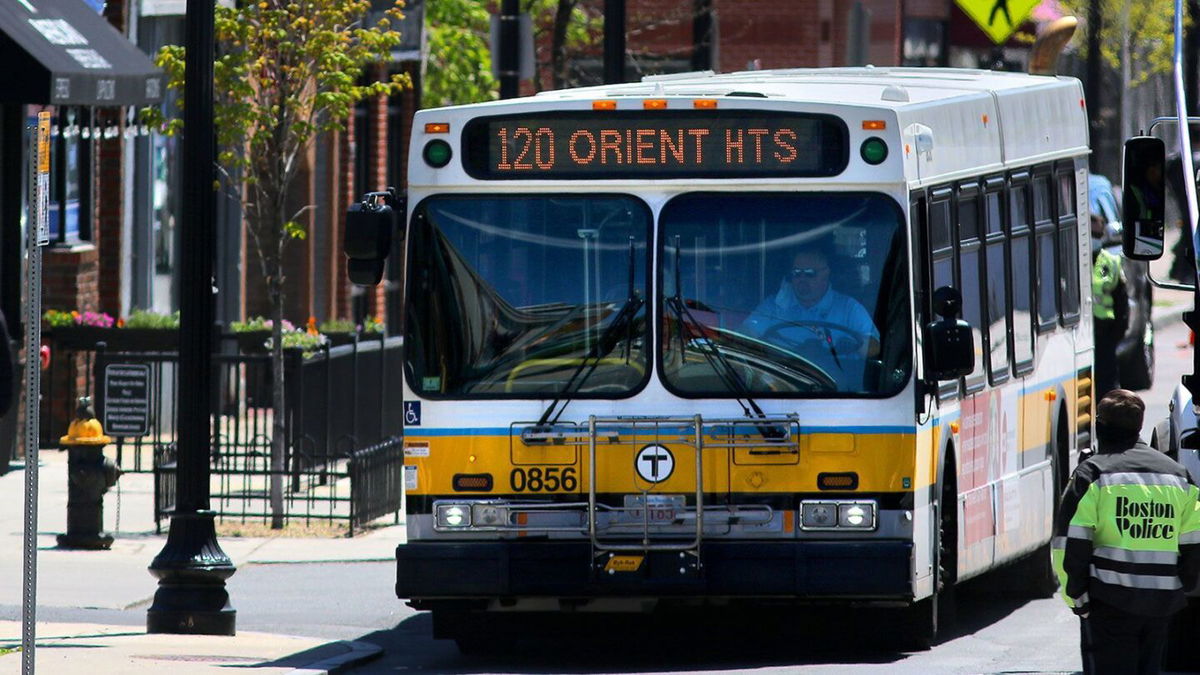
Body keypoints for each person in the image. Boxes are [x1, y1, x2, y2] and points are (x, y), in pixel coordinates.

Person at [1051, 389, 1200, 675]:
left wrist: (1077, 599)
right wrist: (1179, 588)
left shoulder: (1091, 474)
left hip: (1108, 605)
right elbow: (1193, 541)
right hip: (1160, 606)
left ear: (1100, 426)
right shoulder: (1178, 475)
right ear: (1139, 425)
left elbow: (1068, 544)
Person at [740, 245, 879, 383]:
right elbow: (745, 335)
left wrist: (851, 344)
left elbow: (874, 348)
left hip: (838, 393)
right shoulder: (773, 306)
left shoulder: (849, 308)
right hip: (782, 386)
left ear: (826, 274)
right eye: (796, 273)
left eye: (809, 273)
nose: (802, 278)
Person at [1091, 213, 1128, 399]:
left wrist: (1118, 332)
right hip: (1082, 333)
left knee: (1107, 382)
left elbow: (1121, 300)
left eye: (1097, 235)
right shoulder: (1070, 260)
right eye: (1090, 234)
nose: (1093, 240)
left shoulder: (1111, 262)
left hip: (1105, 331)